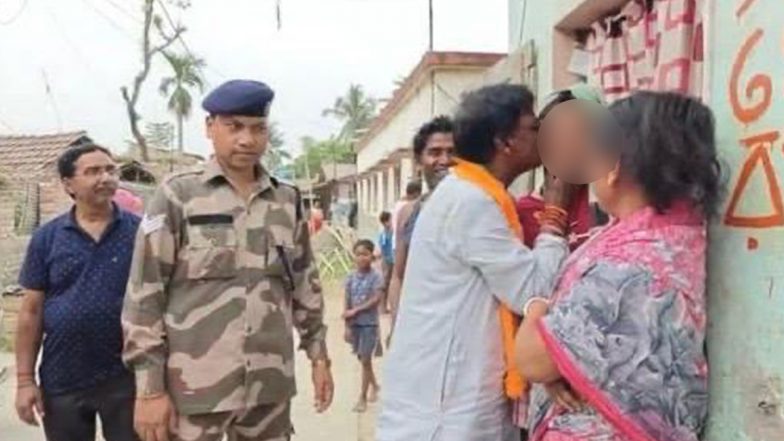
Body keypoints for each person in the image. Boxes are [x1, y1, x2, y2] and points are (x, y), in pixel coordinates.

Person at [122, 79, 334, 441]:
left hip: (269, 388)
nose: (247, 140)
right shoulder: (178, 195)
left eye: (258, 128)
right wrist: (149, 389)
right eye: (234, 127)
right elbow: (145, 296)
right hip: (194, 390)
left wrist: (319, 356)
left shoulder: (286, 200)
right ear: (210, 127)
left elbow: (304, 284)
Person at [515, 92, 722, 441]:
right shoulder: (680, 236)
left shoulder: (626, 261)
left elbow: (532, 360)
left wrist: (537, 307)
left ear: (611, 169)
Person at [377, 84, 574, 441]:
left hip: (446, 396)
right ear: (505, 142)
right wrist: (555, 212)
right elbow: (533, 292)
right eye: (533, 127)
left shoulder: (471, 194)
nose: (543, 135)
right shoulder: (471, 202)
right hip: (446, 406)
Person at [15, 144, 140, 441]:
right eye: (93, 171)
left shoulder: (141, 233)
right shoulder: (47, 238)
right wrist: (24, 381)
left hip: (127, 375)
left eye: (110, 170)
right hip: (63, 376)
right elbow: (31, 311)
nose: (105, 177)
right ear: (68, 184)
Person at [386, 116, 455, 335]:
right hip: (421, 329)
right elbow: (398, 276)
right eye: (435, 153)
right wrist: (397, 327)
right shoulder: (409, 213)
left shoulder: (480, 208)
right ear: (418, 161)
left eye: (452, 152)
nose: (444, 160)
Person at [342, 239, 384, 413]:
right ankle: (374, 385)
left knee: (366, 359)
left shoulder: (376, 277)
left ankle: (362, 398)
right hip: (355, 325)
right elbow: (346, 300)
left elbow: (376, 299)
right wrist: (346, 324)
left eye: (365, 254)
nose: (361, 258)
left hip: (369, 324)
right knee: (362, 359)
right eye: (358, 254)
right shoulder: (350, 277)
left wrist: (356, 310)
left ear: (371, 256)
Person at [377, 211, 395, 314]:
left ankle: (390, 306)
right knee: (385, 283)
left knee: (392, 283)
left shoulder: (393, 232)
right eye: (389, 220)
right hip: (387, 261)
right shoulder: (384, 234)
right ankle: (382, 307)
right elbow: (383, 249)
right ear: (385, 222)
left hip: (393, 260)